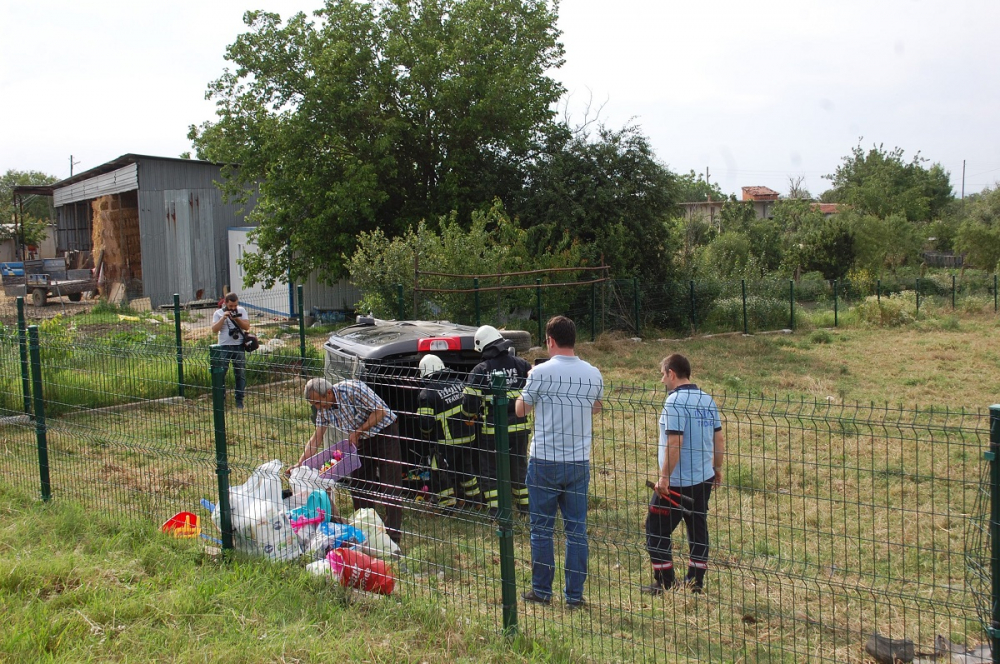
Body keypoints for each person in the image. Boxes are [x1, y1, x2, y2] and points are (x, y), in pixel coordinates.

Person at [514, 316, 603, 609]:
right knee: (576, 530)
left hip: (545, 459)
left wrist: (530, 381)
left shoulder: (540, 372)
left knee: (541, 528)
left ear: (550, 341)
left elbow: (520, 409)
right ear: (574, 339)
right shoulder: (593, 373)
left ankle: (541, 591)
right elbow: (596, 408)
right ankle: (574, 596)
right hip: (578, 461)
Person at [643, 354, 725, 595]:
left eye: (662, 374)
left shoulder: (675, 401)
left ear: (671, 373)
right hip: (704, 477)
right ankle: (695, 582)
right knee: (697, 527)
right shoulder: (706, 399)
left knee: (655, 529)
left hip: (677, 483)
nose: (662, 380)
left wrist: (664, 478)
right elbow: (718, 438)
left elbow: (675, 441)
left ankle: (665, 581)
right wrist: (717, 469)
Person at [297, 377, 404, 544]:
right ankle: (366, 528)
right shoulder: (323, 409)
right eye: (314, 405)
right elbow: (316, 438)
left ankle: (393, 536)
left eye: (318, 403)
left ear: (329, 393)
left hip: (384, 432)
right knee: (359, 485)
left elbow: (380, 411)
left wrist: (359, 431)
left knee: (389, 484)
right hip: (361, 440)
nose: (318, 408)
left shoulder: (353, 390)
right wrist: (300, 463)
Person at [464, 325, 532, 515]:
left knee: (491, 471)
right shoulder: (522, 365)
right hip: (520, 427)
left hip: (492, 431)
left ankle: (497, 512)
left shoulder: (480, 370)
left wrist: (469, 417)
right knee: (519, 467)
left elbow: (469, 403)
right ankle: (525, 508)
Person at [416, 354, 481, 508]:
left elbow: (425, 422)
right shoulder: (459, 383)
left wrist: (426, 434)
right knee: (466, 469)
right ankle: (475, 501)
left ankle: (447, 504)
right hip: (468, 436)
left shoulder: (426, 394)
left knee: (438, 470)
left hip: (446, 441)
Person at [210, 292, 250, 409]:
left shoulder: (241, 311)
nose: (233, 308)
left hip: (239, 347)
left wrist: (237, 319)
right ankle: (221, 399)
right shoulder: (218, 313)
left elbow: (247, 326)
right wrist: (223, 318)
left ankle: (239, 400)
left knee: (240, 374)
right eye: (230, 306)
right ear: (225, 303)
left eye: (235, 306)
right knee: (221, 373)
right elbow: (214, 329)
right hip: (224, 346)